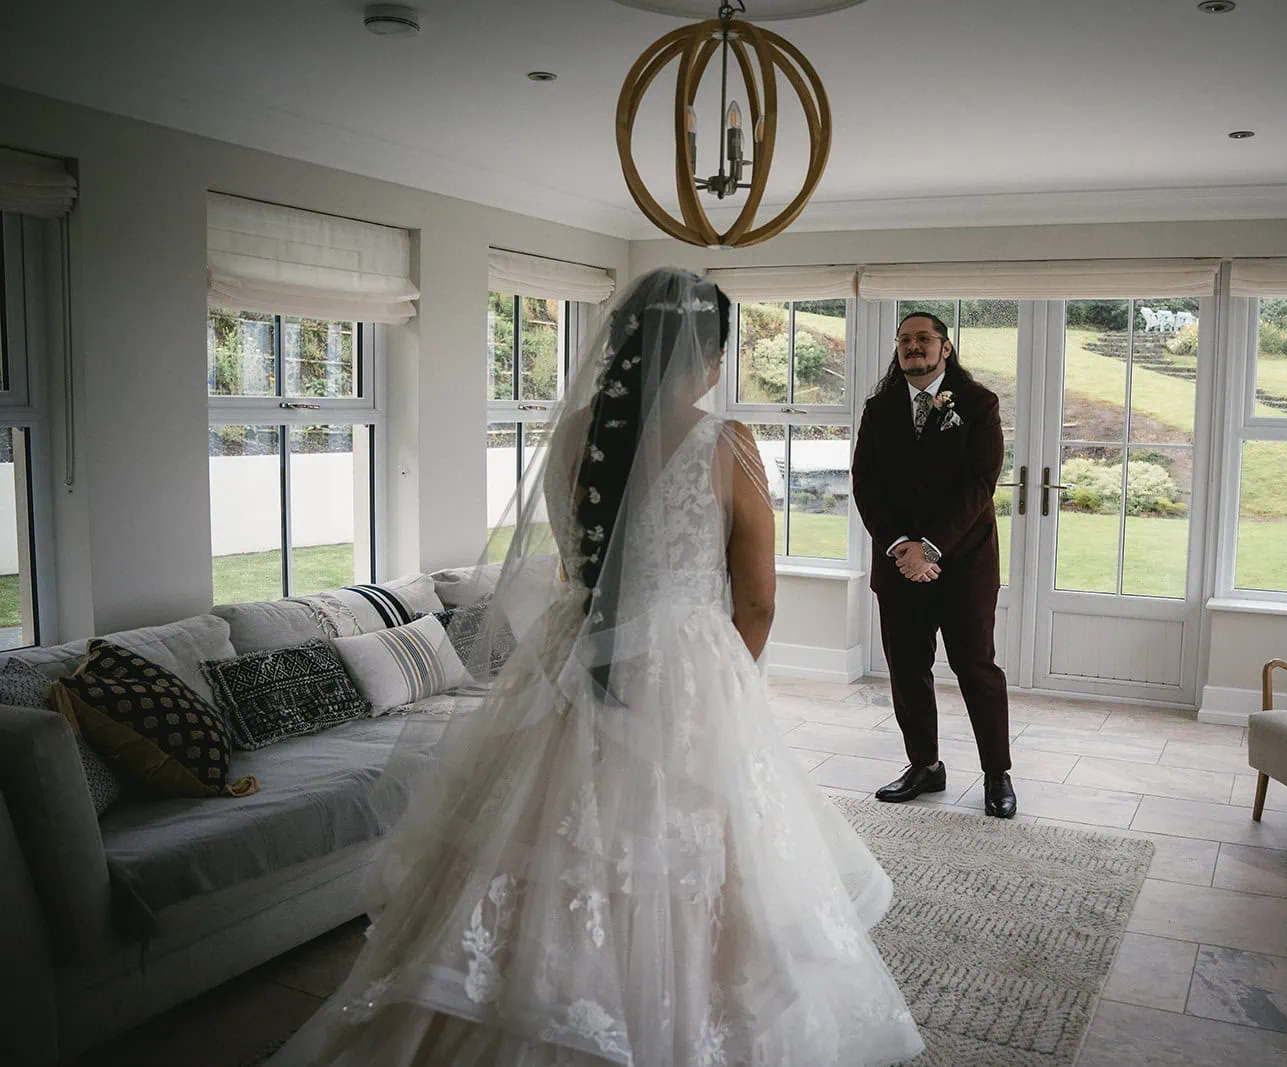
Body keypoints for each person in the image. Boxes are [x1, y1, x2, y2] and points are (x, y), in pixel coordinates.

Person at [271, 269, 924, 1066]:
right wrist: (725, 687)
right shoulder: (726, 443)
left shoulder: (574, 434)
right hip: (680, 669)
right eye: (718, 352)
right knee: (694, 860)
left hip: (569, 657)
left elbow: (574, 567)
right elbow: (756, 599)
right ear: (703, 356)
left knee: (537, 847)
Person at [851, 311, 1016, 819]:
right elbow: (865, 483)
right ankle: (924, 766)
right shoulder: (878, 408)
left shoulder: (978, 403)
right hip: (899, 565)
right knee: (907, 669)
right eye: (905, 339)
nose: (913, 346)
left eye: (924, 338)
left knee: (975, 667)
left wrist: (932, 548)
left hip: (964, 564)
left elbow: (979, 485)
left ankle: (997, 773)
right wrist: (902, 546)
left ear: (946, 347)